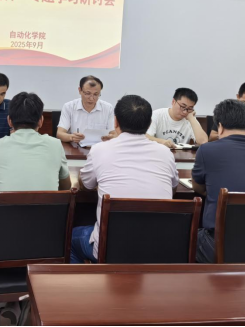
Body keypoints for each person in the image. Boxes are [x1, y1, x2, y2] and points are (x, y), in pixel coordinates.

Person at [71, 95, 179, 264]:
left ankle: (93, 281)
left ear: (115, 122)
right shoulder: (166, 153)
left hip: (110, 252)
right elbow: (173, 188)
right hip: (157, 251)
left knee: (71, 238)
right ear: (149, 124)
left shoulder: (100, 150)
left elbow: (86, 184)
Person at [193, 99, 245, 264]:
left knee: (187, 236)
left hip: (220, 246)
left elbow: (197, 187)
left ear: (220, 127)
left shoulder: (206, 150)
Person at [0, 92, 71, 191]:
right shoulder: (55, 145)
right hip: (48, 203)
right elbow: (66, 186)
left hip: (6, 203)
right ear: (41, 121)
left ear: (9, 121)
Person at [57, 76, 116, 144]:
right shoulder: (69, 107)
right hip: (75, 147)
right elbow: (60, 134)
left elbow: (114, 134)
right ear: (80, 90)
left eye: (96, 94)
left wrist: (110, 137)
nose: (91, 98)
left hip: (100, 147)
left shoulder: (108, 108)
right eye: (87, 93)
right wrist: (71, 137)